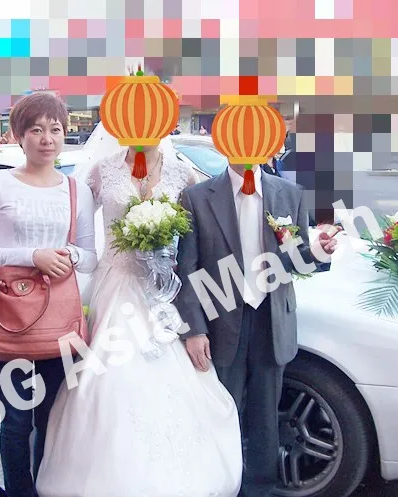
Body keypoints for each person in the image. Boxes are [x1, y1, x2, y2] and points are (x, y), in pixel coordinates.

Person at [35, 132, 243, 497]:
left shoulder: (182, 173)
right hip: (115, 285)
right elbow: (74, 223)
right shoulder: (103, 171)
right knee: (107, 378)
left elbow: (202, 232)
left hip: (163, 290)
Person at [174, 161, 337, 497]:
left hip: (272, 319)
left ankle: (260, 488)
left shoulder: (290, 194)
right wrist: (193, 329)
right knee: (222, 411)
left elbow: (297, 261)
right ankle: (219, 485)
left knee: (265, 416)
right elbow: (187, 269)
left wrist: (319, 251)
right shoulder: (197, 197)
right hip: (220, 322)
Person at [0, 92, 98, 497]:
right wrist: (33, 256)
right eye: (37, 130)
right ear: (19, 135)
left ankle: (41, 486)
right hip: (8, 317)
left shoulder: (76, 190)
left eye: (55, 129)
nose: (47, 139)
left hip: (58, 321)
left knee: (48, 417)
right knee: (16, 418)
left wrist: (68, 254)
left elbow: (90, 257)